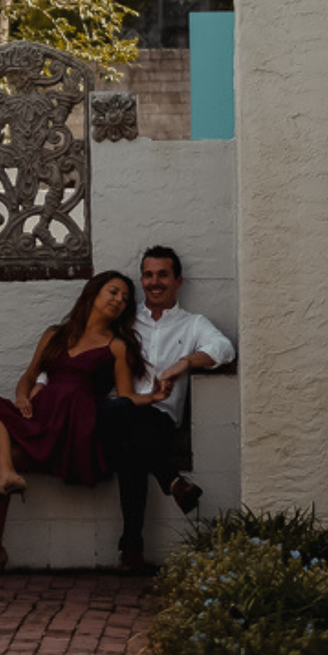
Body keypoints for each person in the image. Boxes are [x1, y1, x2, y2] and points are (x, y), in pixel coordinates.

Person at [0, 270, 160, 576]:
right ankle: (3, 494)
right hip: (41, 417)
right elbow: (29, 376)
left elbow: (124, 398)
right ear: (93, 293)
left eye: (125, 299)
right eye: (113, 292)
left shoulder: (117, 345)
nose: (119, 300)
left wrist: (152, 397)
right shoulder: (55, 334)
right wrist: (22, 397)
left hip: (75, 428)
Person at [105, 243, 235, 575]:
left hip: (159, 419)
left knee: (131, 445)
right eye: (148, 275)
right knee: (125, 420)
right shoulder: (126, 319)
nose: (154, 282)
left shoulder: (192, 324)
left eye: (163, 275)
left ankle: (132, 547)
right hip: (117, 414)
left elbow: (224, 349)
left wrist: (185, 362)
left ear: (178, 280)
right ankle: (173, 482)